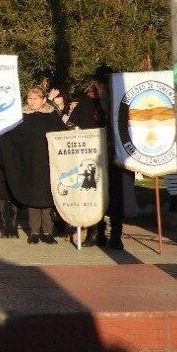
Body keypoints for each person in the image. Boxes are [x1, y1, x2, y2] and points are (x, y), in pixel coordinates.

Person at [0, 87, 67, 244]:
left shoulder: (52, 116)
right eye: (30, 99)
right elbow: (9, 136)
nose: (32, 102)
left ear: (43, 100)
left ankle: (47, 232)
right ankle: (34, 232)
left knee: (47, 199)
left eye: (36, 99)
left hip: (48, 164)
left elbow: (62, 137)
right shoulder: (20, 117)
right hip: (28, 163)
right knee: (33, 197)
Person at [69, 74, 124, 250]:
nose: (101, 87)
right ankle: (95, 233)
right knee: (94, 194)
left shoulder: (118, 100)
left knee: (115, 197)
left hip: (115, 156)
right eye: (99, 84)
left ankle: (116, 235)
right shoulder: (88, 101)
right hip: (94, 157)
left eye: (105, 84)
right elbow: (76, 124)